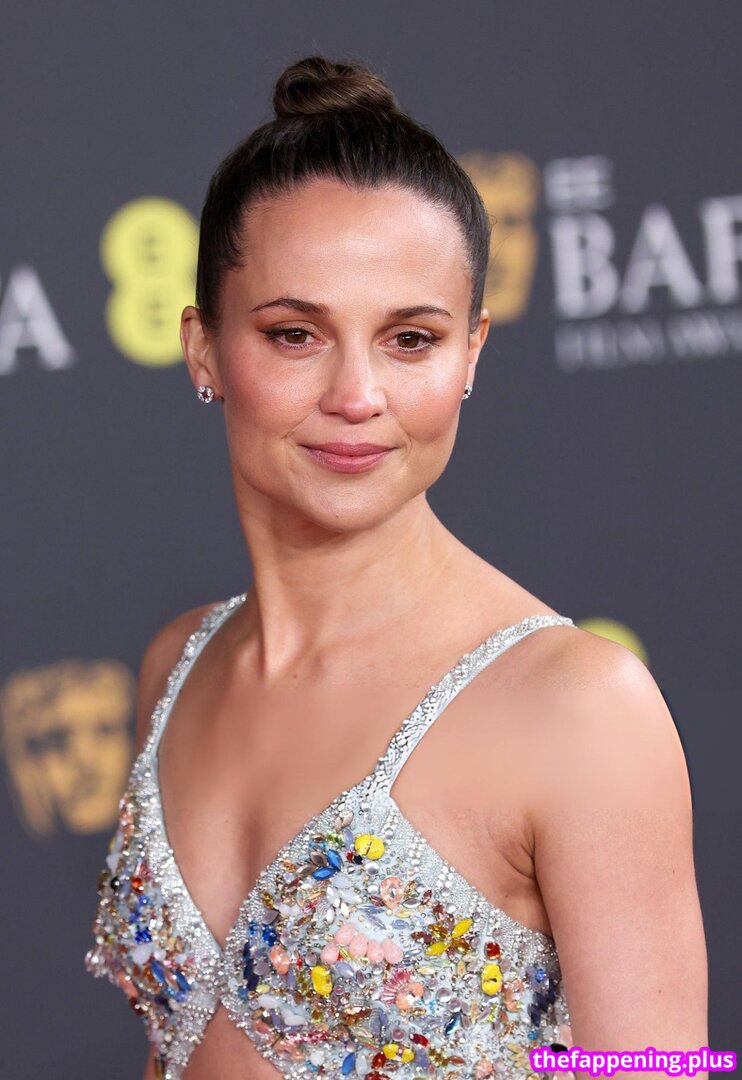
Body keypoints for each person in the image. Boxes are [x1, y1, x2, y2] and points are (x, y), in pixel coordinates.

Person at [84, 54, 708, 1080]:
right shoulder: (178, 665)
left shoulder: (579, 708)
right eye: (295, 334)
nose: (356, 394)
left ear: (470, 354)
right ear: (204, 349)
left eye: (410, 339)